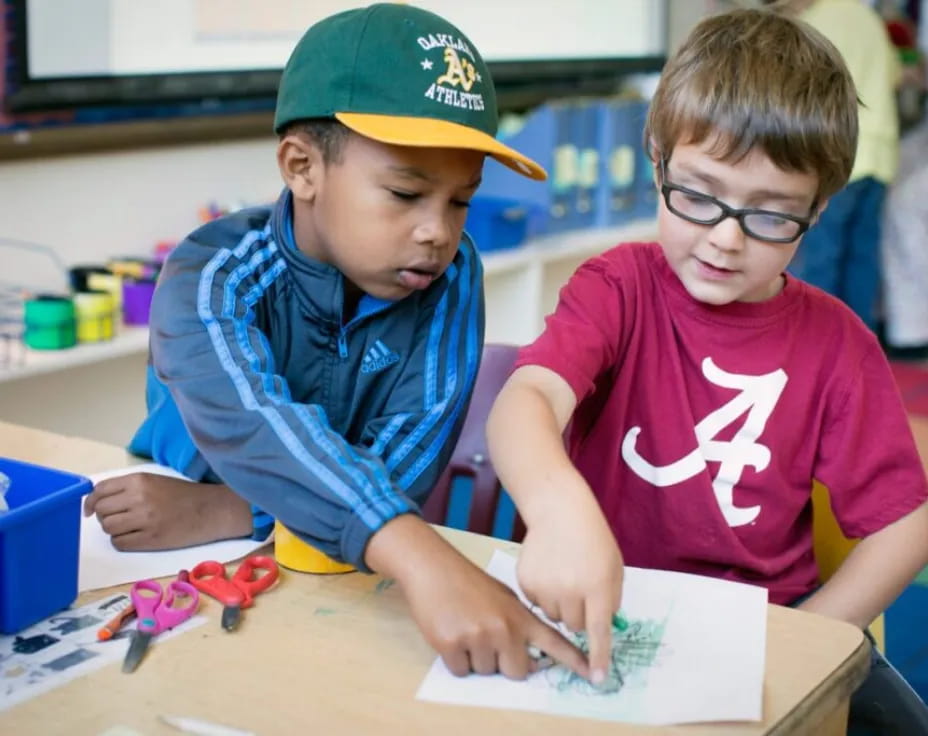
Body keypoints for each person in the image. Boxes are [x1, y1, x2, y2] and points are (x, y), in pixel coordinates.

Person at [83, 3, 587, 679]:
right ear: (302, 167)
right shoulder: (209, 276)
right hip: (176, 560)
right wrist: (421, 556)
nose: (439, 232)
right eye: (406, 193)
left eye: (460, 199)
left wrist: (230, 509)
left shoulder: (450, 275)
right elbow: (252, 423)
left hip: (325, 567)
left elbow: (404, 464)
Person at [486, 7, 928, 732]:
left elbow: (904, 525)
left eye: (771, 214)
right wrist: (558, 509)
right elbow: (527, 399)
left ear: (818, 209)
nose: (725, 239)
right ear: (657, 160)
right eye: (697, 195)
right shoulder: (618, 287)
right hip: (603, 617)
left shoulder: (839, 343)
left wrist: (810, 636)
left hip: (763, 627)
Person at [772, 0, 901, 332]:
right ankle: (860, 347)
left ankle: (813, 348)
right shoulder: (866, 17)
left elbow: (794, 92)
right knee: (862, 258)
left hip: (838, 153)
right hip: (880, 155)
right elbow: (895, 76)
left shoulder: (815, 22)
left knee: (820, 258)